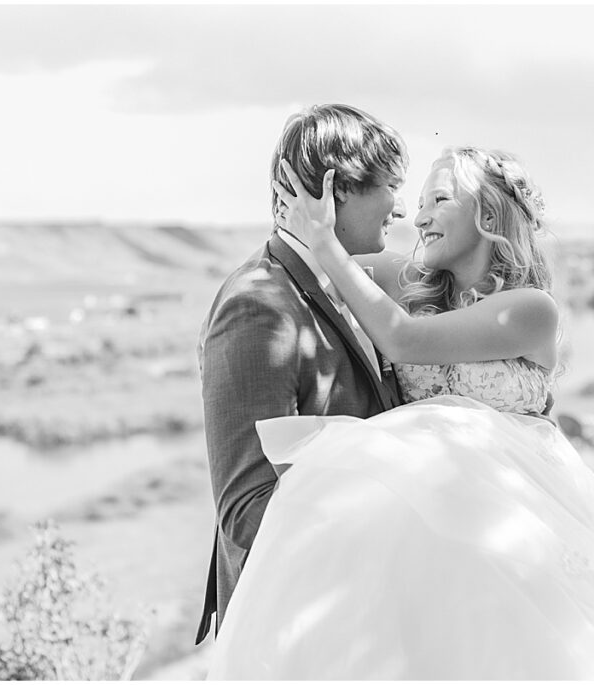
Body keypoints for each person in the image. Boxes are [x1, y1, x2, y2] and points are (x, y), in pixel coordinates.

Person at [205, 148, 594, 679]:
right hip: (435, 520)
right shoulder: (407, 284)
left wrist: (324, 242)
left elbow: (403, 340)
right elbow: (304, 267)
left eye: (439, 200)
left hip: (518, 513)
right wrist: (313, 223)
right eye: (419, 201)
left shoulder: (529, 309)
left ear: (489, 217)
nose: (417, 215)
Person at [194, 104, 409, 645]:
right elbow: (247, 511)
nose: (399, 207)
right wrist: (405, 513)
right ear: (338, 189)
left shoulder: (347, 281)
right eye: (390, 185)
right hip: (300, 623)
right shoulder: (257, 307)